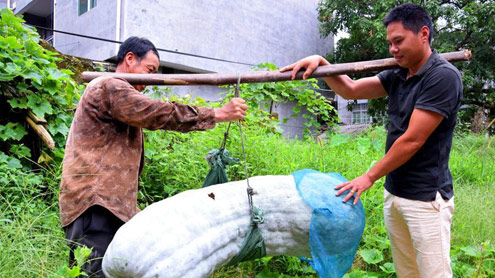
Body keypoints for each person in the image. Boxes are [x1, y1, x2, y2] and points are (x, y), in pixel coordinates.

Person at [281, 3, 462, 278]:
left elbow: (412, 140)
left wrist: (368, 177)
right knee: (407, 273)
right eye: (390, 43)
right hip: (396, 191)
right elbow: (351, 90)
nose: (392, 49)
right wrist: (322, 62)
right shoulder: (399, 73)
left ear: (423, 34)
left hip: (426, 199)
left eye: (398, 41)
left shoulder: (442, 76)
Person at [59, 36, 248, 277]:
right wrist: (218, 113)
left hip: (109, 207)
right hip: (95, 205)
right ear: (129, 59)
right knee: (93, 273)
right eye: (150, 70)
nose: (148, 80)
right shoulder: (109, 86)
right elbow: (156, 112)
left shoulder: (116, 95)